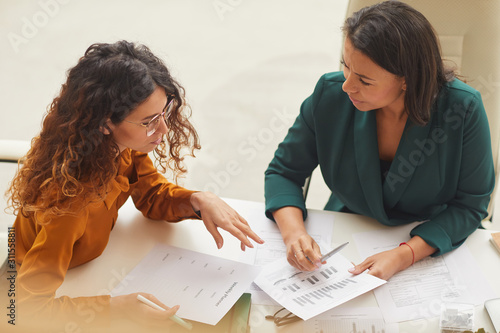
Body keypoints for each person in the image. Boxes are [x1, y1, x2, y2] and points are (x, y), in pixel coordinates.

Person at [7, 40, 264, 331]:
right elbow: (24, 311)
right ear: (105, 124)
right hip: (52, 278)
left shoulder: (120, 148)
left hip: (96, 265)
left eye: (164, 113)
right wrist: (113, 308)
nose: (164, 129)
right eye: (149, 121)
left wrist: (198, 200)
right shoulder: (69, 208)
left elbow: (152, 196)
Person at [264, 1, 495, 281]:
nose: (347, 85)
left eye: (364, 79)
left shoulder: (463, 109)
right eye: (346, 66)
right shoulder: (331, 94)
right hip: (347, 227)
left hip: (431, 233)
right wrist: (294, 234)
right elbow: (283, 172)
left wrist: (404, 255)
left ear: (407, 80)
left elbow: (470, 206)